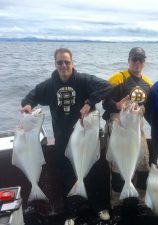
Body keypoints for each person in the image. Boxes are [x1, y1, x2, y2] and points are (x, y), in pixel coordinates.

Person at [20, 48, 113, 223]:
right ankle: (71, 213)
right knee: (67, 175)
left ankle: (99, 207)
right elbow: (30, 97)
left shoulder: (84, 80)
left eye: (67, 62)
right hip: (63, 139)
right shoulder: (49, 86)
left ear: (72, 63)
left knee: (91, 172)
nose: (64, 66)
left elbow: (107, 87)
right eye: (60, 62)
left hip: (86, 137)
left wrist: (89, 102)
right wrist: (27, 106)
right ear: (55, 64)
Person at [102, 47, 152, 215]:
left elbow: (150, 110)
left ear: (144, 62)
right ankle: (116, 203)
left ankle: (141, 201)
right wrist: (116, 105)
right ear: (129, 60)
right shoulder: (118, 78)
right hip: (118, 126)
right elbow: (104, 102)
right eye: (134, 59)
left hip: (137, 128)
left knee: (144, 165)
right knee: (117, 168)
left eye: (140, 60)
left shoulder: (147, 83)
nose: (137, 63)